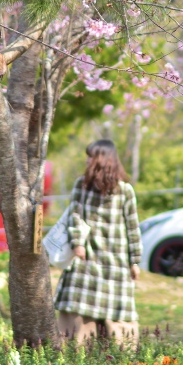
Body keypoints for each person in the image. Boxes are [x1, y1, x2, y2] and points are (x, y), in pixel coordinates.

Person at [54, 139, 142, 346]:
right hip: (86, 260)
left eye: (90, 156)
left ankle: (120, 364)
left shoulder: (125, 190)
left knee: (117, 314)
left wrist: (135, 261)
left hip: (116, 262)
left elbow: (132, 227)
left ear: (102, 159)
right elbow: (75, 216)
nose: (87, 161)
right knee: (80, 311)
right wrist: (78, 243)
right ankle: (77, 360)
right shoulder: (81, 185)